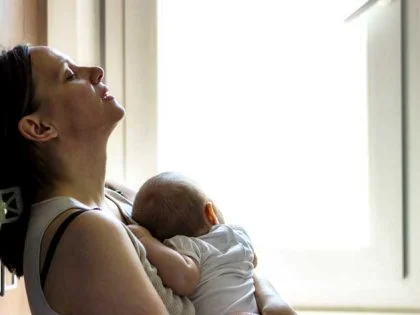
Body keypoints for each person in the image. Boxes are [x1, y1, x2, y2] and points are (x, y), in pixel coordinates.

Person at [0, 44, 297, 315]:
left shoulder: (117, 196)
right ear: (39, 128)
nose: (95, 72)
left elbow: (222, 252)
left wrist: (270, 296)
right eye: (69, 75)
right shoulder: (84, 231)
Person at [129, 172, 258, 315]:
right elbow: (253, 261)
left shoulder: (186, 247)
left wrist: (145, 239)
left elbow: (184, 281)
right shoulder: (237, 233)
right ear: (210, 212)